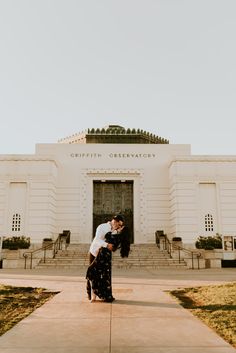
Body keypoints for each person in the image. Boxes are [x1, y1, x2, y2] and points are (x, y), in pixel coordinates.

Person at [86, 216, 130, 302]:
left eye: (121, 226)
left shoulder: (114, 231)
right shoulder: (102, 227)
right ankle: (92, 296)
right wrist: (107, 245)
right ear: (115, 222)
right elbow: (97, 240)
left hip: (104, 256)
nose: (119, 227)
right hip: (94, 252)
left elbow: (115, 243)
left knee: (103, 276)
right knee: (93, 274)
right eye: (119, 224)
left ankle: (103, 294)